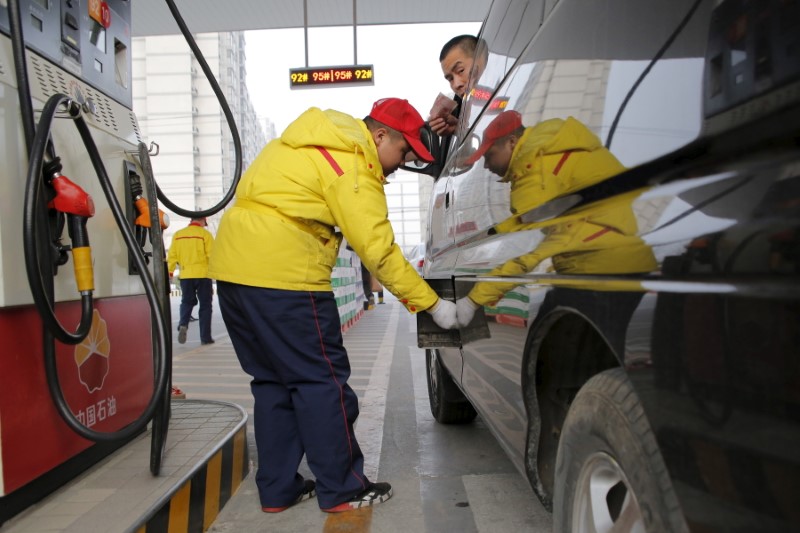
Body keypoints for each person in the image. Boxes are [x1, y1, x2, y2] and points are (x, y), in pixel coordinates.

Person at [208, 97, 459, 514]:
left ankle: (278, 488)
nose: (400, 165)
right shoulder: (353, 163)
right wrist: (433, 305)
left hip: (234, 275)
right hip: (286, 278)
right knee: (321, 383)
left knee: (272, 383)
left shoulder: (302, 143)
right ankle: (343, 489)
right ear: (380, 135)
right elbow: (378, 251)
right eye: (403, 152)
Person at [455, 110, 657, 327]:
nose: (486, 165)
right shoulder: (551, 151)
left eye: (489, 156)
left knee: (561, 339)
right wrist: (492, 233)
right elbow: (527, 225)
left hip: (599, 272)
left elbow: (527, 249)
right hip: (617, 262)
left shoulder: (535, 171)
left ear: (512, 143)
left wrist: (475, 299)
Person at [168, 216, 215, 345]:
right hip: (203, 275)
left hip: (186, 275)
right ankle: (205, 338)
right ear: (202, 221)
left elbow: (172, 256)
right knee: (205, 305)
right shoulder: (205, 234)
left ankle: (183, 324)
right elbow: (212, 255)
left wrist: (170, 272)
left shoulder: (178, 235)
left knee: (186, 302)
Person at [429, 34, 488, 137]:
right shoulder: (470, 111)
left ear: (482, 59)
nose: (456, 84)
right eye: (450, 79)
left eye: (460, 70)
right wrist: (460, 130)